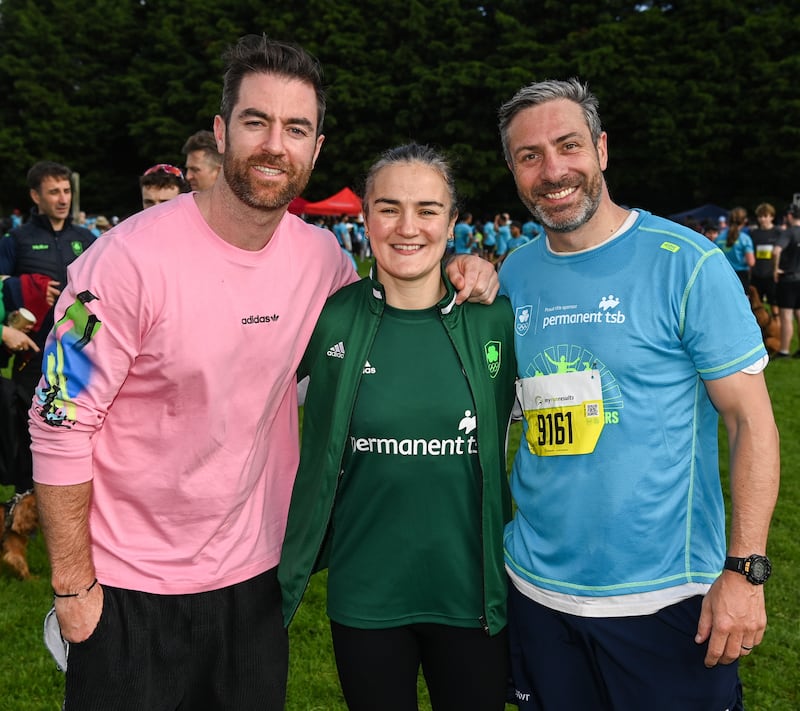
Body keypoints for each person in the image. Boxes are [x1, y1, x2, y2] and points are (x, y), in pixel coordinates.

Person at [28, 34, 496, 711]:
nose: (275, 144)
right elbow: (58, 417)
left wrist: (460, 269)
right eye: (256, 122)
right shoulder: (120, 262)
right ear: (222, 133)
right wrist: (72, 587)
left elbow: (389, 323)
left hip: (255, 587)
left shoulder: (323, 263)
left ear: (315, 149)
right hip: (130, 590)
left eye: (295, 128)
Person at [496, 78, 779, 710]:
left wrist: (746, 570)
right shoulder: (513, 274)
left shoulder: (688, 263)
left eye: (567, 145)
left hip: (664, 602)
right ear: (513, 170)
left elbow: (752, 423)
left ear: (600, 148)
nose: (552, 170)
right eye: (529, 155)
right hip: (537, 594)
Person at [279, 143, 516, 711]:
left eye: (428, 210)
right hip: (367, 596)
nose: (407, 227)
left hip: (472, 597)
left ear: (453, 222)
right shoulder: (328, 316)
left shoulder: (496, 317)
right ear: (365, 216)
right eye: (388, 208)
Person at [0, 161, 95, 494]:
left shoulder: (86, 238)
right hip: (33, 357)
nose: (62, 198)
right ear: (35, 196)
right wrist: (26, 286)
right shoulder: (16, 239)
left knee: (77, 434)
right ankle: (26, 505)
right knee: (32, 435)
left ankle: (73, 501)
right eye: (53, 191)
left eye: (66, 190)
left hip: (79, 358)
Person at [770, 204, 800, 359]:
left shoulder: (788, 232)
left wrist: (776, 269)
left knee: (786, 316)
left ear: (789, 216)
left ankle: (784, 350)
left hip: (788, 279)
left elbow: (776, 251)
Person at [749, 202, 782, 316]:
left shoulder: (778, 233)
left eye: (765, 216)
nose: (762, 219)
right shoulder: (754, 233)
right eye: (760, 216)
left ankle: (777, 330)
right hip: (757, 274)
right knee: (757, 306)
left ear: (771, 217)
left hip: (771, 275)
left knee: (775, 305)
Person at [715, 206, 755, 291]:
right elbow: (751, 262)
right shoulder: (745, 239)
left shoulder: (719, 238)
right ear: (745, 221)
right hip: (741, 276)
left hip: (723, 274)